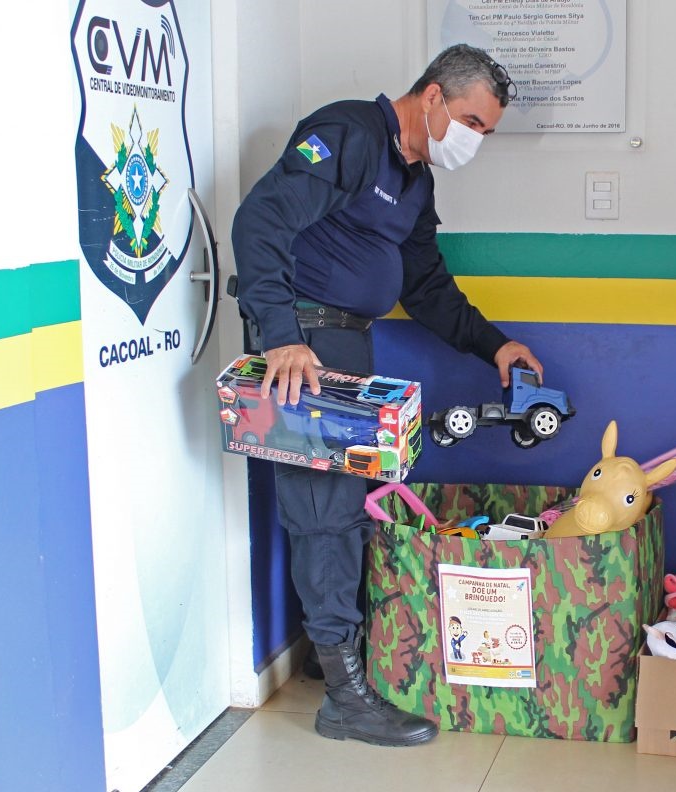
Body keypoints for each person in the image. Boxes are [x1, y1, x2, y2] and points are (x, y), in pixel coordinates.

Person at [231, 44, 543, 747]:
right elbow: (260, 224)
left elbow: (426, 285)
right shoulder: (348, 136)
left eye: (486, 131)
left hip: (346, 346)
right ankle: (346, 698)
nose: (475, 140)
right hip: (302, 348)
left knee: (350, 507)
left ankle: (331, 653)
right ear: (431, 98)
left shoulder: (414, 179)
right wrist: (281, 335)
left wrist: (495, 344)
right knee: (324, 513)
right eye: (471, 121)